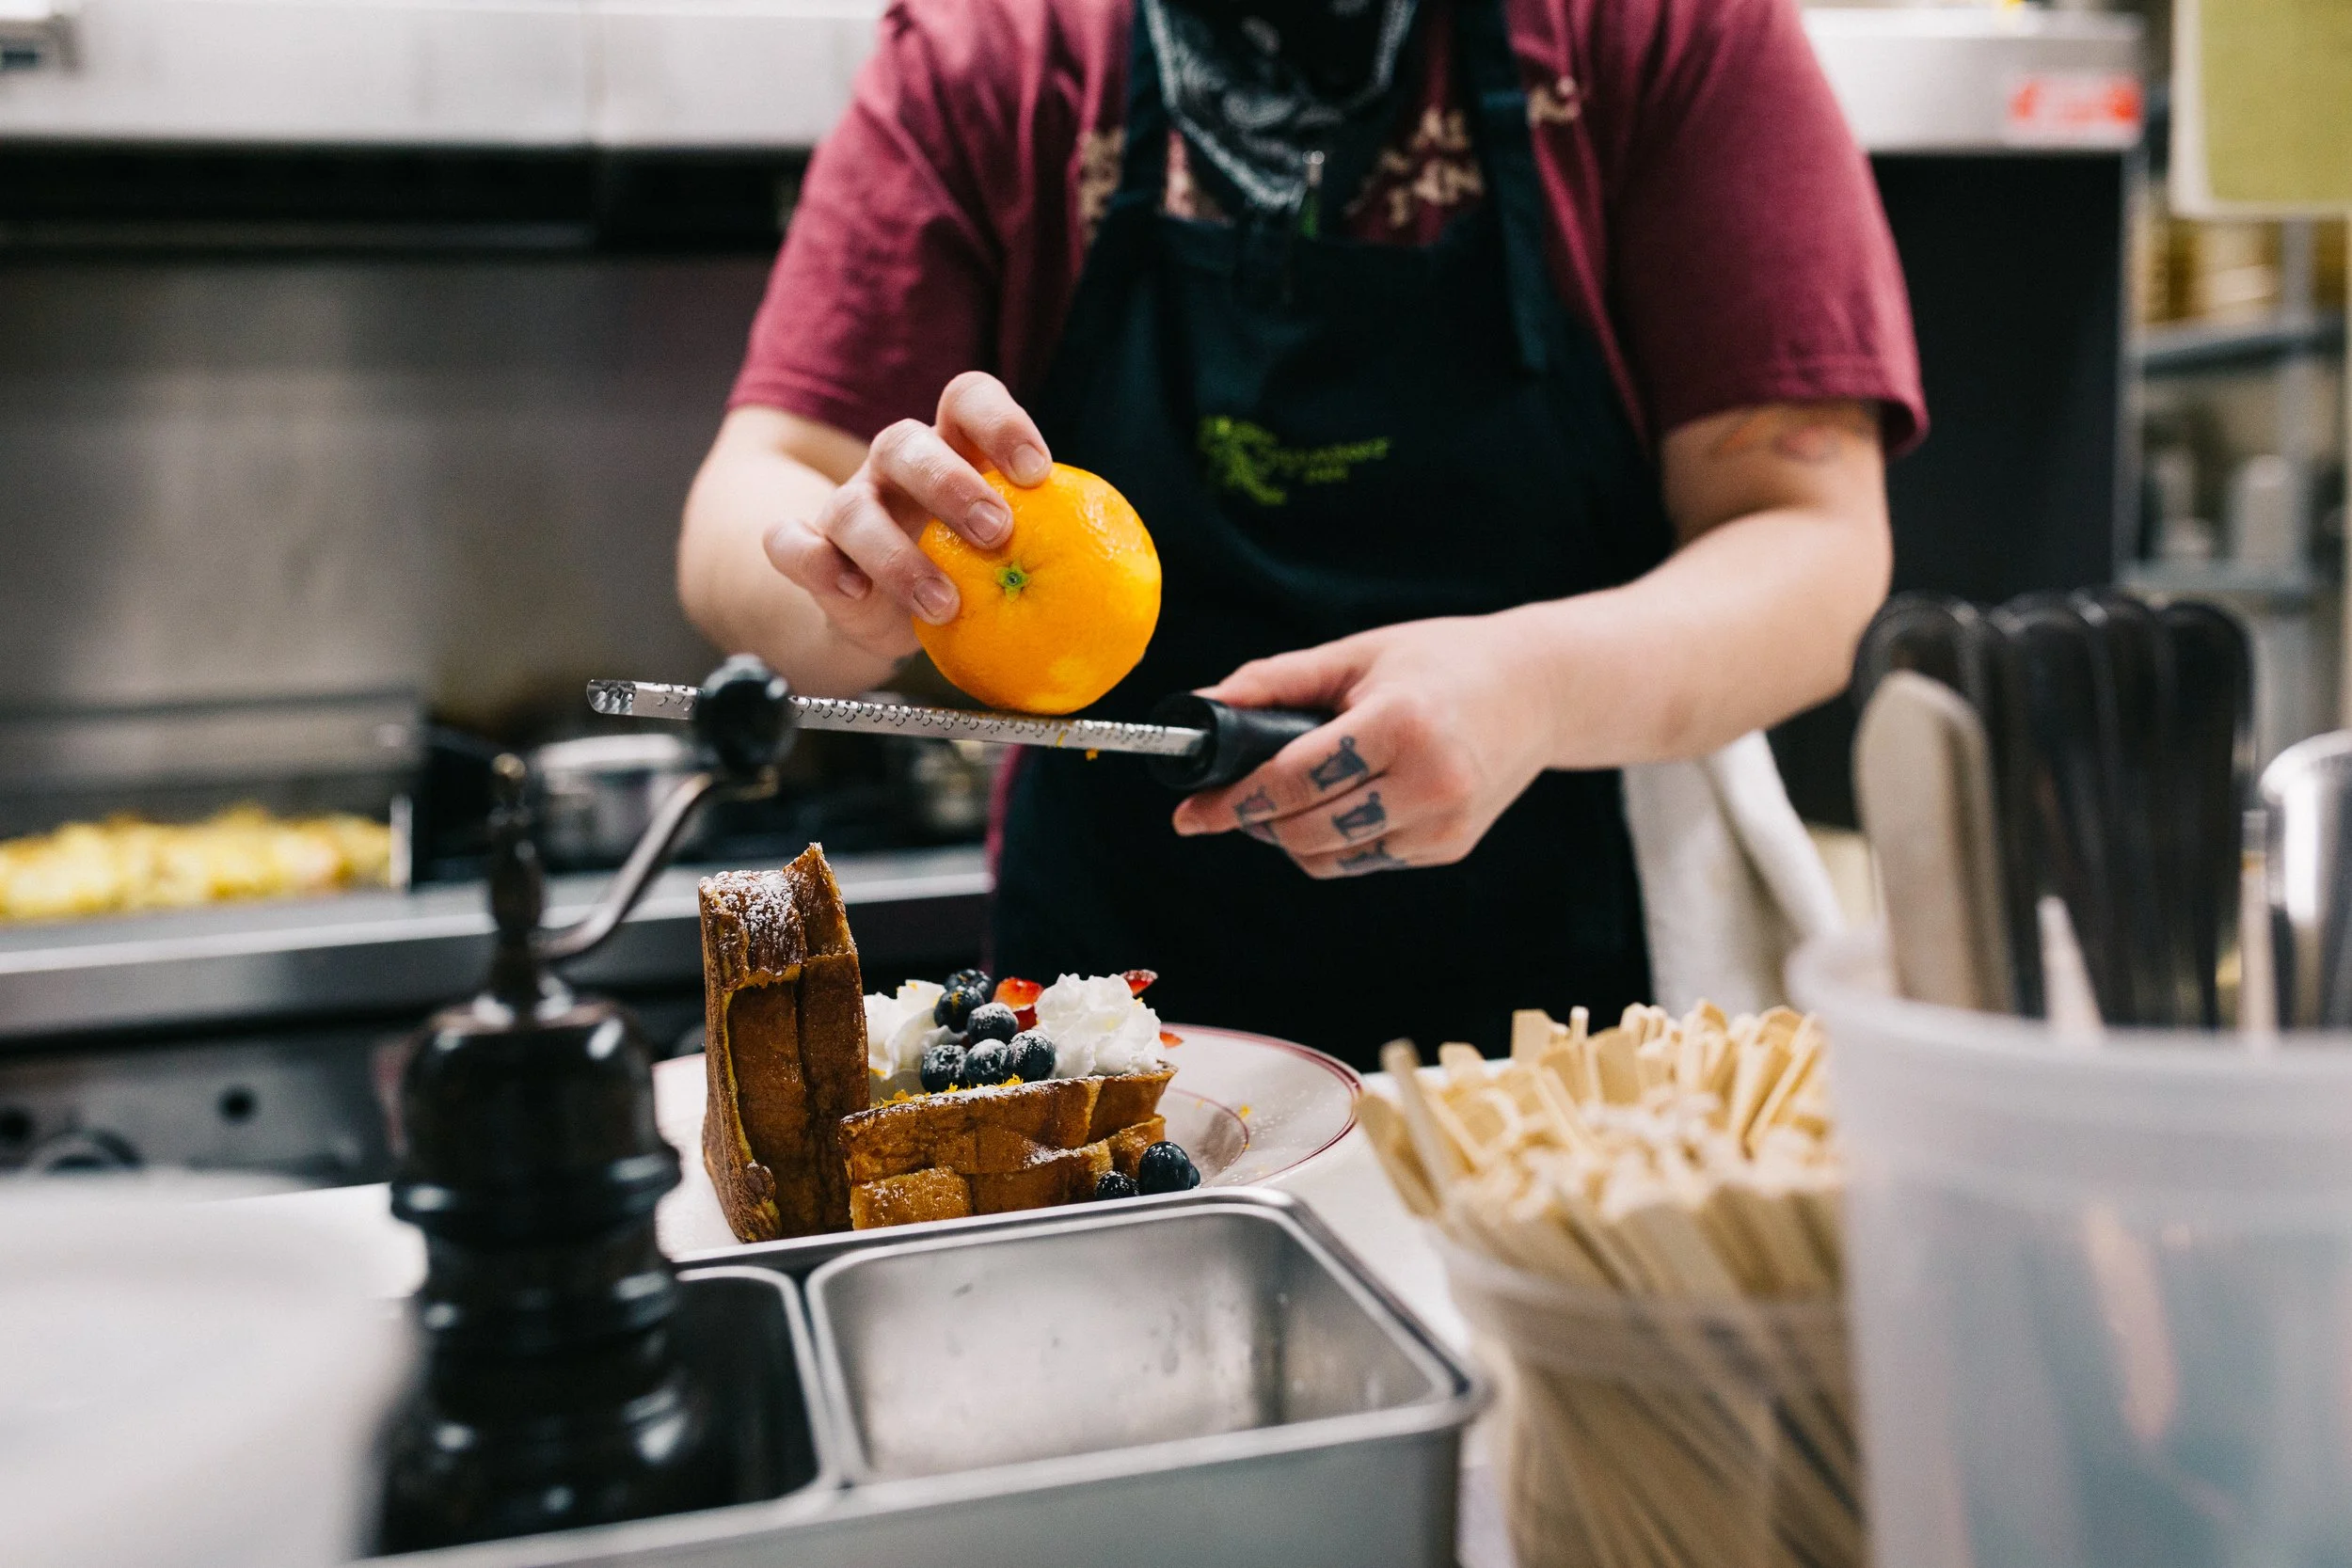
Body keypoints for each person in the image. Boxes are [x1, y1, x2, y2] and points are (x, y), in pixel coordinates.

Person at [678, 0, 1924, 1064]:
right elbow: (752, 496)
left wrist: (1534, 687)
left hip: (1579, 1031)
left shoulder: (1652, 30)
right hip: (1109, 1032)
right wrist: (850, 581)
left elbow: (1810, 535)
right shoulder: (995, 50)